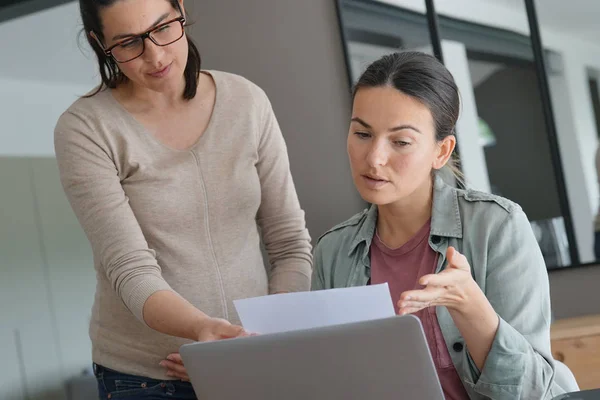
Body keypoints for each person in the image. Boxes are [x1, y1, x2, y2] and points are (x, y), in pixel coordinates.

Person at [54, 0, 312, 398]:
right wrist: (202, 332)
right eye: (128, 43)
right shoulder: (86, 129)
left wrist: (261, 339)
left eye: (163, 27)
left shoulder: (247, 101)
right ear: (98, 43)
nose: (155, 55)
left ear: (181, 10)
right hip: (147, 377)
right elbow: (130, 269)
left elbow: (290, 241)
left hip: (256, 356)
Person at [311, 51, 569, 399]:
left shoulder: (498, 226)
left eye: (400, 142)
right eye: (362, 134)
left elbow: (534, 392)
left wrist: (471, 309)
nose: (374, 158)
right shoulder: (332, 252)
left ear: (442, 151)